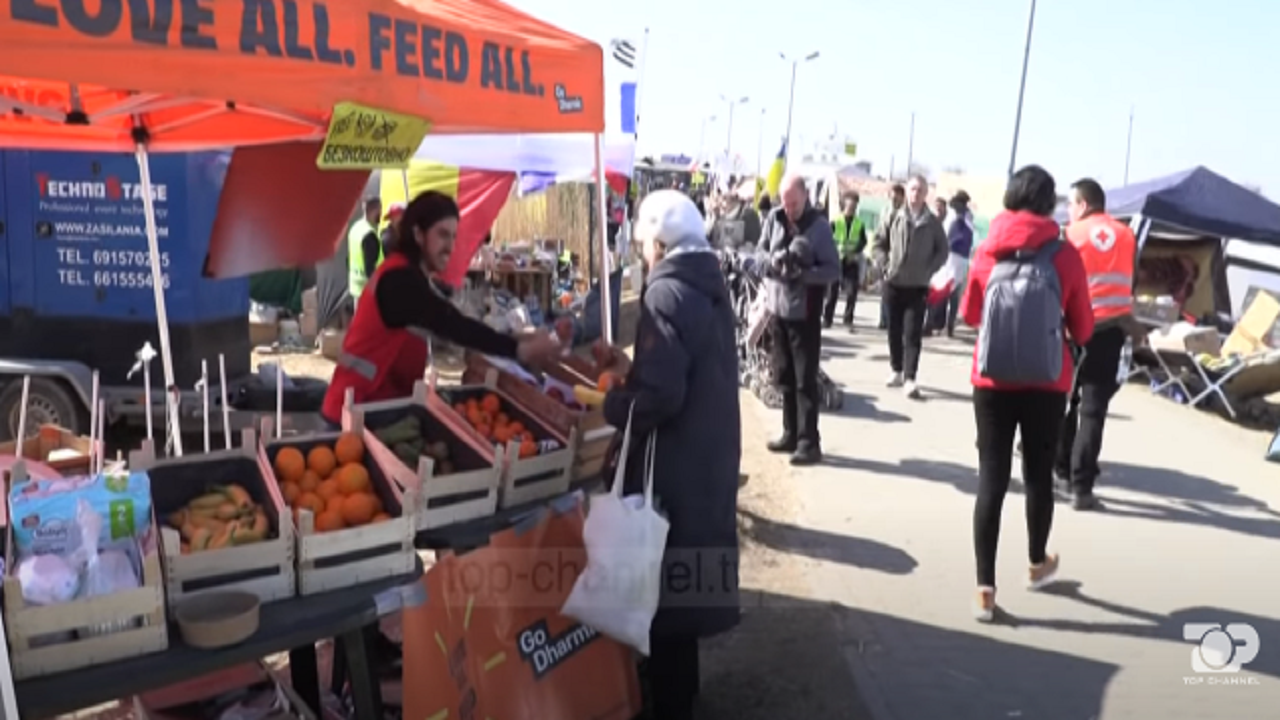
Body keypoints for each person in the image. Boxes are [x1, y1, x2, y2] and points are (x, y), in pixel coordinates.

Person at [595, 190, 740, 720]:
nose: (640, 256)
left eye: (642, 247)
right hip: (707, 457)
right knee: (685, 592)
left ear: (660, 244)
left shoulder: (665, 293)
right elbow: (680, 366)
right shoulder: (707, 285)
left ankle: (671, 705)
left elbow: (661, 396)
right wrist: (633, 364)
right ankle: (682, 696)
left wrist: (613, 401)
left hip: (676, 466)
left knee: (667, 601)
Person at [959, 165, 1094, 621]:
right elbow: (1084, 327)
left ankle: (984, 591)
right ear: (1046, 204)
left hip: (991, 381)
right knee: (1038, 474)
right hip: (1046, 383)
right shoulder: (1065, 255)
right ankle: (1037, 565)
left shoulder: (987, 250)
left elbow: (970, 313)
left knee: (991, 479)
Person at [321, 191, 561, 427]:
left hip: (376, 407)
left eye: (453, 237)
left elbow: (451, 322)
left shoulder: (410, 275)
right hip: (356, 413)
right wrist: (518, 349)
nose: (450, 246)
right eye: (443, 235)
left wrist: (518, 338)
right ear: (418, 234)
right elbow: (452, 325)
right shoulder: (400, 281)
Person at [1055, 178, 1144, 511]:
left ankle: (1060, 472)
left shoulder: (1071, 234)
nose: (1068, 210)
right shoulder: (1126, 234)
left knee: (1066, 402)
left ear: (1082, 204)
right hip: (1111, 330)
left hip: (1073, 328)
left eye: (1070, 204)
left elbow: (1059, 277)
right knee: (1094, 411)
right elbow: (1132, 280)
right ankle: (1082, 489)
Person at [761, 174, 839, 465]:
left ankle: (809, 442)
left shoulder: (819, 228)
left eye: (794, 203)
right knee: (784, 376)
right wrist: (773, 263)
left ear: (805, 197)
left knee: (805, 379)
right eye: (785, 202)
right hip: (777, 310)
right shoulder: (773, 219)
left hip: (804, 313)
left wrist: (802, 275)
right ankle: (790, 433)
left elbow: (833, 270)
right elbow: (760, 251)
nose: (789, 208)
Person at [872, 175, 948, 399]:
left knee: (913, 333)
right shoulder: (894, 216)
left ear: (926, 194)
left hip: (917, 286)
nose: (916, 194)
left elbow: (942, 251)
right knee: (893, 330)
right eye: (913, 189)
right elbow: (878, 243)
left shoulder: (932, 223)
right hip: (893, 283)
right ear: (907, 191)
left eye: (921, 190)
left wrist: (929, 269)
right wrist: (885, 264)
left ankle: (910, 378)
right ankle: (896, 369)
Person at [929, 191, 975, 337]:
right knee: (953, 293)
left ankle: (939, 324)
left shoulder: (955, 216)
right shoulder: (968, 217)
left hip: (951, 257)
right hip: (961, 259)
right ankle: (948, 325)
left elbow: (947, 236)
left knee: (943, 290)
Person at [823, 192, 868, 330]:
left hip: (851, 261)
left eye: (854, 206)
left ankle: (848, 320)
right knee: (832, 292)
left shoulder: (859, 224)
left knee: (852, 292)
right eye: (849, 205)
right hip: (836, 261)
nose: (852, 208)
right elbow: (827, 241)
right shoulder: (835, 222)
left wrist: (855, 252)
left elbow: (863, 241)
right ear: (844, 205)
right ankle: (827, 320)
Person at [877, 184, 906, 330]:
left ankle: (892, 320)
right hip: (886, 254)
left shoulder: (906, 213)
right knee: (885, 288)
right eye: (892, 196)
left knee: (896, 291)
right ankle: (884, 319)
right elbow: (880, 234)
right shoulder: (886, 211)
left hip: (899, 256)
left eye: (896, 196)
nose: (893, 199)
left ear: (902, 196)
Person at [347, 197, 382, 310]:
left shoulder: (355, 228)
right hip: (367, 290)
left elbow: (348, 259)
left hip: (355, 286)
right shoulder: (369, 235)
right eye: (379, 210)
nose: (380, 215)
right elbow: (369, 268)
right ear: (373, 210)